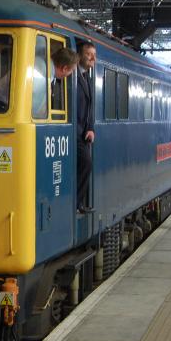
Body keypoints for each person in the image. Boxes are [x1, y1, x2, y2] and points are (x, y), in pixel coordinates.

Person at [76, 41, 96, 214]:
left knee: (86, 163)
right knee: (86, 162)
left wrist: (90, 128)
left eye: (94, 55)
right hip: (73, 131)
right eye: (89, 54)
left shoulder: (87, 77)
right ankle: (77, 202)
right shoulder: (72, 75)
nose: (93, 58)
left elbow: (90, 106)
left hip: (83, 131)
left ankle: (78, 202)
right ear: (80, 55)